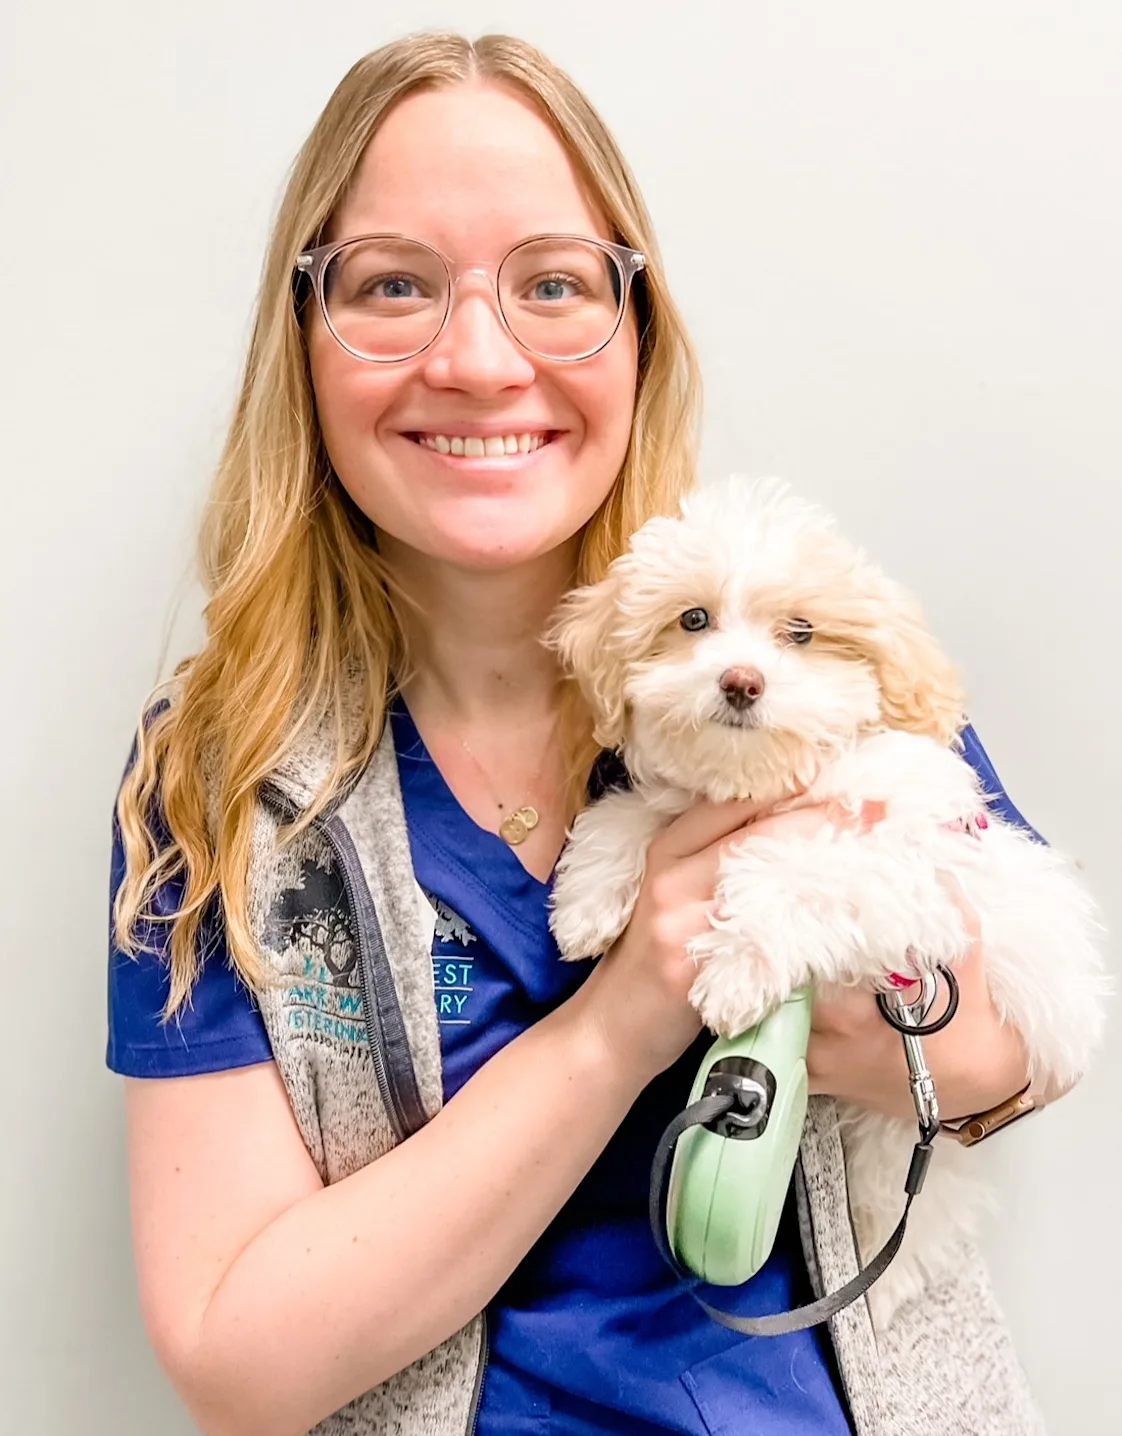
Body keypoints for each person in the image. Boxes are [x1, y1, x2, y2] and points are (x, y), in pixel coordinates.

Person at [109, 32, 1053, 1436]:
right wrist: (621, 1021)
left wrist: (883, 999)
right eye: (393, 286)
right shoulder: (226, 778)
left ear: (638, 331)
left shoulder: (795, 647)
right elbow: (238, 1368)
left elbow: (1021, 1046)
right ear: (302, 340)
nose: (479, 360)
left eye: (552, 284)